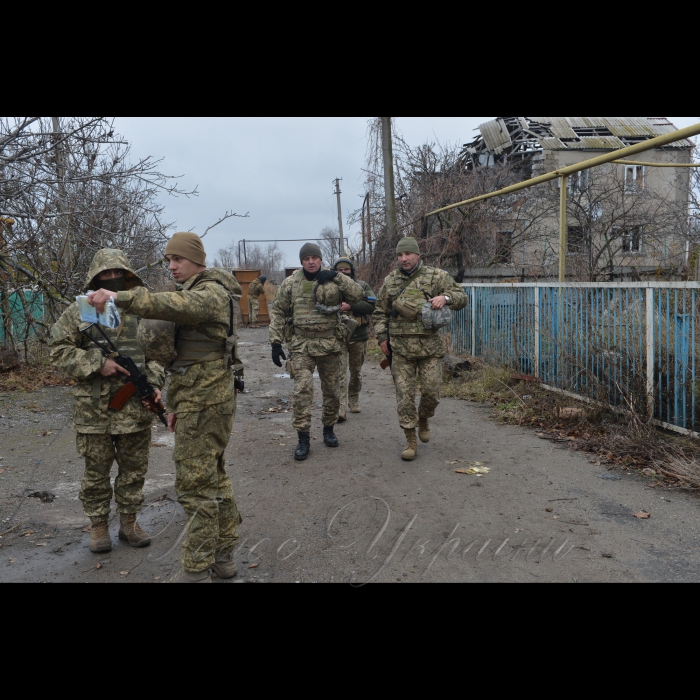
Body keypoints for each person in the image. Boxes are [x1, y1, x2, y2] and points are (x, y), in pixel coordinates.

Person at [89, 232, 244, 584]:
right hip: (197, 396)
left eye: (178, 260)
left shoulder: (212, 292)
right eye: (168, 260)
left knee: (194, 485)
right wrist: (174, 403)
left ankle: (196, 568)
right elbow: (183, 359)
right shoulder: (196, 288)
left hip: (207, 399)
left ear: (197, 260)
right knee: (213, 476)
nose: (171, 266)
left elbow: (178, 308)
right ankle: (223, 556)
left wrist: (121, 296)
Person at [50, 250, 165, 554]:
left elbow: (159, 356)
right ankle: (99, 525)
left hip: (135, 408)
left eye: (118, 273)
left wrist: (153, 385)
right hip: (94, 407)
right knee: (96, 472)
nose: (112, 278)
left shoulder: (141, 311)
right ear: (95, 277)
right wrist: (96, 362)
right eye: (105, 274)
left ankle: (129, 522)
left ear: (127, 275)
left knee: (134, 469)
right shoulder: (81, 310)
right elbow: (58, 349)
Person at [374, 237, 468, 461]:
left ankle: (424, 417)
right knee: (404, 397)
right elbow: (380, 312)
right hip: (401, 350)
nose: (403, 259)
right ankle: (410, 440)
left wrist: (445, 297)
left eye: (407, 254)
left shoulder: (436, 276)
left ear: (418, 255)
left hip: (429, 349)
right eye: (400, 255)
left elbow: (462, 297)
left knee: (431, 393)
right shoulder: (391, 281)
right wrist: (381, 337)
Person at [269, 243, 364, 461]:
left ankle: (328, 430)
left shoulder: (333, 279)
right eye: (306, 258)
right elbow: (279, 312)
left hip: (329, 344)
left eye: (315, 258)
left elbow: (357, 296)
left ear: (320, 260)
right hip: (301, 345)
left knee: (331, 390)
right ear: (301, 262)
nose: (311, 261)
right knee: (302, 390)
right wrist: (275, 343)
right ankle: (303, 438)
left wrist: (338, 277)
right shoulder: (291, 283)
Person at [333, 257, 375, 421]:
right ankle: (341, 407)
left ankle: (353, 399)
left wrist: (351, 306)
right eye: (340, 270)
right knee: (340, 373)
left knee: (356, 372)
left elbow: (372, 305)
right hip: (338, 337)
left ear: (352, 270)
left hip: (358, 336)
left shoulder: (362, 286)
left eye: (346, 270)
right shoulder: (330, 288)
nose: (343, 273)